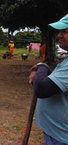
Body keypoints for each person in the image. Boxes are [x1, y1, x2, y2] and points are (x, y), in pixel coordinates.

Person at [28, 14, 68, 145]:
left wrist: (41, 66)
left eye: (65, 31)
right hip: (56, 134)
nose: (59, 36)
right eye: (59, 31)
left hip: (61, 138)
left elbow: (42, 89)